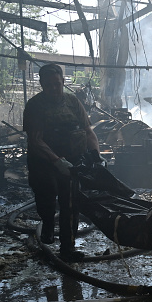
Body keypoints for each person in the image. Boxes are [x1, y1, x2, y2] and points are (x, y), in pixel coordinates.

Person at [23, 63, 102, 262]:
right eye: (48, 85)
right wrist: (57, 161)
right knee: (46, 197)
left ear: (63, 82)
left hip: (72, 162)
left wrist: (96, 155)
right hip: (43, 162)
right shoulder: (35, 106)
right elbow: (35, 140)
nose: (53, 89)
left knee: (70, 204)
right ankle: (48, 221)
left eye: (57, 84)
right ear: (41, 85)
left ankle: (68, 247)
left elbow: (88, 131)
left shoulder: (73, 102)